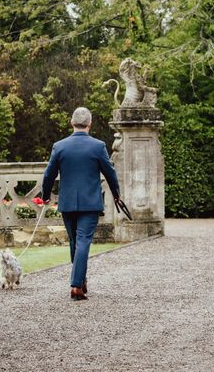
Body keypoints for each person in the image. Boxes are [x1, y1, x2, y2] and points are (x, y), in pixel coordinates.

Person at [42, 107, 120, 301]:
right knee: (83, 241)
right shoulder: (98, 146)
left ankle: (81, 280)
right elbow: (110, 172)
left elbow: (48, 174)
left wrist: (45, 195)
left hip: (68, 203)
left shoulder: (59, 146)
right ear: (90, 123)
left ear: (72, 123)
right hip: (90, 203)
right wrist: (117, 194)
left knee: (76, 242)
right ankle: (77, 285)